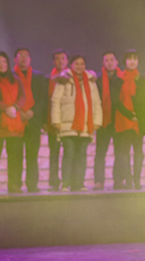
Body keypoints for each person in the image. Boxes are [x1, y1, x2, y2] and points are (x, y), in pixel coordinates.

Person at [51, 54, 103, 191]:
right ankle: (66, 183)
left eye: (82, 64)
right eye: (76, 64)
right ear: (71, 65)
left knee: (81, 155)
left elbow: (97, 102)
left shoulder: (90, 82)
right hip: (67, 124)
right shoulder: (64, 80)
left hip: (85, 125)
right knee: (69, 153)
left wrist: (97, 121)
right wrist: (56, 120)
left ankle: (78, 183)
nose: (79, 66)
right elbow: (55, 101)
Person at [0, 52, 27, 194]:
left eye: (4, 62)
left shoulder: (15, 79)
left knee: (15, 156)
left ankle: (14, 184)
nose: (2, 65)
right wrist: (6, 108)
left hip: (14, 121)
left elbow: (22, 96)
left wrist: (15, 107)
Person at [113, 50, 145, 189]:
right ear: (125, 61)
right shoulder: (119, 79)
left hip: (138, 120)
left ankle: (137, 180)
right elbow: (115, 101)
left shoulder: (142, 79)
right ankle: (128, 180)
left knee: (138, 151)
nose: (132, 61)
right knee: (124, 152)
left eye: (135, 58)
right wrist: (129, 115)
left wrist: (137, 115)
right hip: (123, 119)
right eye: (129, 58)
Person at [14, 48, 48, 193]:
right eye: (20, 55)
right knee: (16, 155)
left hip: (33, 120)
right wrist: (19, 112)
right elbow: (8, 97)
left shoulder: (38, 76)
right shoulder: (11, 76)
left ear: (30, 59)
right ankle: (15, 185)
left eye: (26, 55)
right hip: (16, 120)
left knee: (32, 155)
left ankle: (32, 185)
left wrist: (32, 112)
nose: (23, 58)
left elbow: (42, 99)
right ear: (15, 59)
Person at [94, 52, 121, 190]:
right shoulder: (97, 79)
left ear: (116, 62)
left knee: (120, 152)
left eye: (112, 59)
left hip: (119, 120)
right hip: (103, 121)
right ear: (103, 64)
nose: (109, 62)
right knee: (100, 153)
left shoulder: (122, 78)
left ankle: (118, 180)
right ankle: (99, 181)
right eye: (106, 60)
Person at [46, 49, 69, 192]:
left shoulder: (72, 77)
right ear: (53, 61)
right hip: (52, 122)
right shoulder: (48, 79)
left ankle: (68, 181)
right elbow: (45, 101)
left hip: (68, 121)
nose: (60, 61)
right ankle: (54, 182)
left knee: (69, 153)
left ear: (67, 61)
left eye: (63, 58)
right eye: (57, 59)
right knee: (53, 153)